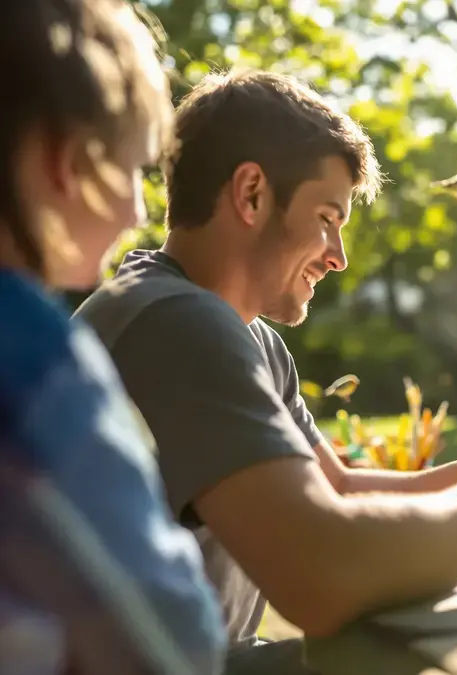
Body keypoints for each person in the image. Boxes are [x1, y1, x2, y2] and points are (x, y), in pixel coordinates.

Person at [73, 68, 457, 674]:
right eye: (328, 218)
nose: (339, 257)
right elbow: (326, 577)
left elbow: (337, 490)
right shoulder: (174, 322)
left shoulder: (238, 331)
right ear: (251, 194)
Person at [0, 0, 226, 673]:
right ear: (64, 160)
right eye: (131, 169)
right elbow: (171, 636)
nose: (136, 208)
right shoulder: (33, 357)